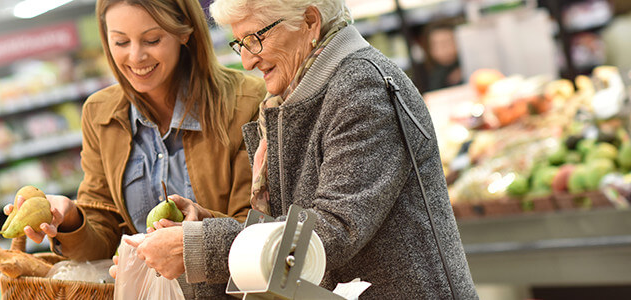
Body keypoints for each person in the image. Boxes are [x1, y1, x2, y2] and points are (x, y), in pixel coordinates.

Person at [126, 0, 479, 299]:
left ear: (309, 21)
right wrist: (203, 228)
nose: (247, 61)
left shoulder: (362, 87)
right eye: (239, 44)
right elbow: (289, 229)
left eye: (254, 39)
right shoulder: (294, 99)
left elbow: (333, 231)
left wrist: (200, 247)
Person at [4, 0, 265, 267]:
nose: (136, 57)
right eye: (120, 42)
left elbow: (258, 226)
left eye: (152, 40)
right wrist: (70, 219)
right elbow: (104, 243)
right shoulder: (99, 113)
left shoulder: (247, 102)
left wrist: (194, 239)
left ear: (184, 31)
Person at [423, 21, 463, 91]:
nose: (443, 49)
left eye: (447, 42)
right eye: (437, 45)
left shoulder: (468, 66)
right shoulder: (434, 76)